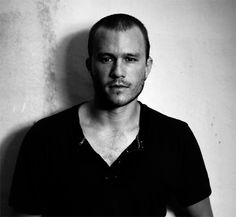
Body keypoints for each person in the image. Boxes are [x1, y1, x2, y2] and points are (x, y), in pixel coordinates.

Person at [9, 13, 213, 216]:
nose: (118, 71)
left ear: (147, 67)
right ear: (90, 66)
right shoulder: (45, 137)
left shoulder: (175, 137)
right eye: (106, 58)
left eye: (130, 59)